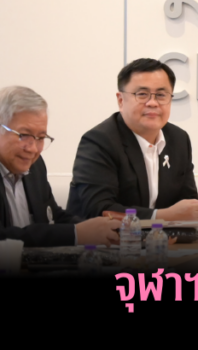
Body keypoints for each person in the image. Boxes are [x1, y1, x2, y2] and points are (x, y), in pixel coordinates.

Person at [67, 59, 198, 220]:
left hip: (162, 236)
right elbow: (100, 209)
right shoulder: (99, 141)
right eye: (142, 94)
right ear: (121, 100)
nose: (153, 103)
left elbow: (186, 202)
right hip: (103, 236)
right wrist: (163, 216)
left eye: (161, 95)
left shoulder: (179, 139)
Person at [0, 86, 120, 247]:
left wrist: (97, 228)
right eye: (24, 135)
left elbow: (53, 217)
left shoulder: (35, 166)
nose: (33, 148)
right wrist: (76, 234)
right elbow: (4, 236)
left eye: (40, 138)